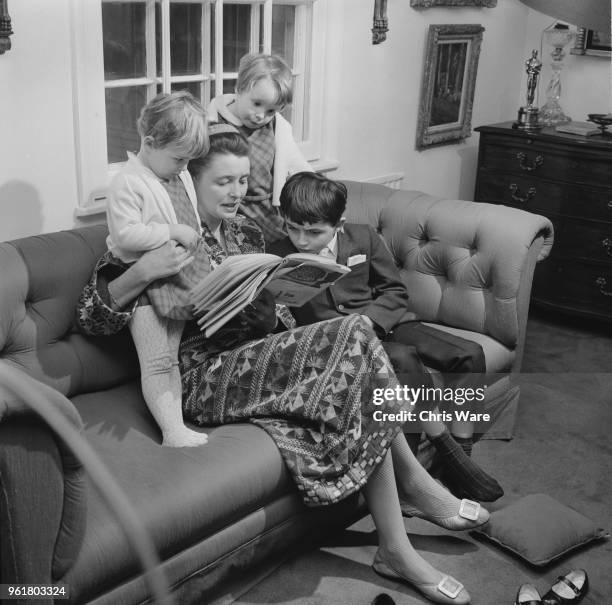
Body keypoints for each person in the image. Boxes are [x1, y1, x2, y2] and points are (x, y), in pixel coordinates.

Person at [77, 124, 490, 604]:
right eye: (223, 182)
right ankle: (414, 491)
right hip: (200, 378)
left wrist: (269, 308)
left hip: (254, 361)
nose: (237, 192)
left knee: (353, 360)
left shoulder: (248, 233)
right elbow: (92, 317)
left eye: (242, 181)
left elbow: (283, 315)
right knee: (353, 337)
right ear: (190, 181)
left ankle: (396, 543)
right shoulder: (156, 236)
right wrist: (143, 272)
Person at [268, 171, 504, 503]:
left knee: (468, 354)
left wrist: (370, 319)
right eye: (293, 228)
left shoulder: (362, 237)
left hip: (387, 322)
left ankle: (462, 458)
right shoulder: (277, 255)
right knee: (405, 361)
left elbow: (394, 290)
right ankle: (416, 479)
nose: (302, 240)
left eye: (314, 232)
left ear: (339, 224)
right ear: (283, 219)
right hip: (342, 343)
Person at [105, 91, 210, 448]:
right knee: (157, 361)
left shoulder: (177, 175)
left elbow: (189, 214)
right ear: (149, 143)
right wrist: (171, 232)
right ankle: (171, 431)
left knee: (173, 359)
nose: (184, 167)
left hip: (178, 278)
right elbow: (125, 234)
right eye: (179, 158)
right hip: (145, 287)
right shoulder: (128, 181)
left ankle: (176, 426)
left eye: (189, 160)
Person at [206, 53, 313, 245]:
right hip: (230, 213)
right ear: (239, 88)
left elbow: (300, 169)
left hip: (269, 213)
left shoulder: (277, 128)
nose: (260, 116)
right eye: (256, 104)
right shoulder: (213, 125)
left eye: (271, 110)